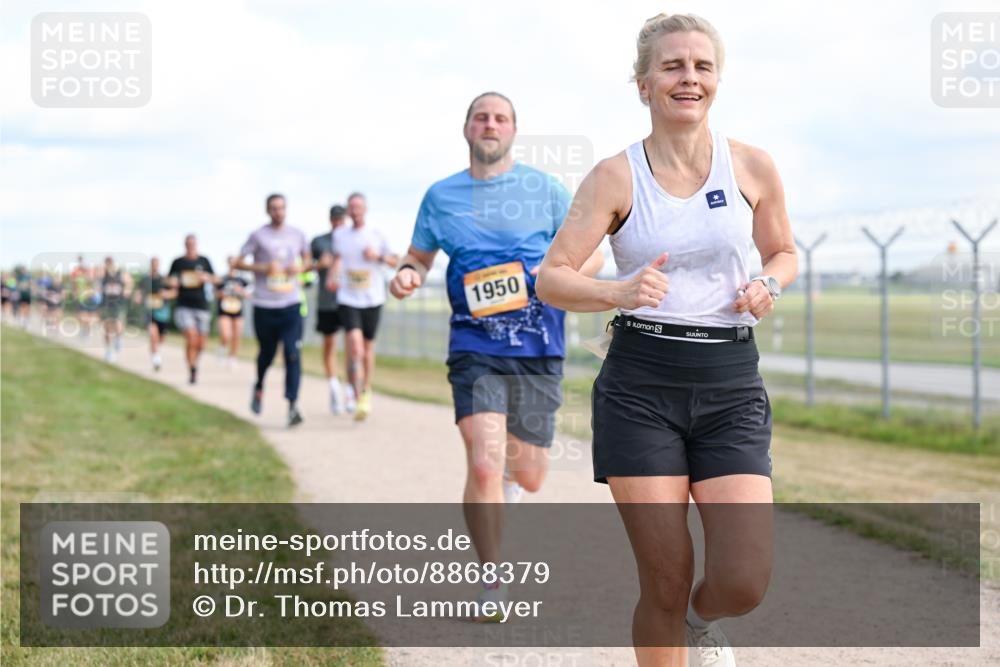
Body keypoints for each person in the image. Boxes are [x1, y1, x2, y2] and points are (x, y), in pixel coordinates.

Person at [535, 13, 797, 667]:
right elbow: (552, 278)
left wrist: (771, 281)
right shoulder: (614, 176)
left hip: (731, 383)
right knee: (664, 574)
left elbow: (786, 251)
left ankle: (698, 622)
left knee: (743, 578)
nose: (689, 78)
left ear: (718, 79)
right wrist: (616, 292)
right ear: (643, 83)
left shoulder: (753, 166)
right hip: (640, 383)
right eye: (673, 66)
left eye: (702, 66)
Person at [390, 91, 603, 616]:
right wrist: (407, 273)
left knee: (528, 473)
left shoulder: (544, 189)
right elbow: (418, 254)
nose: (490, 125)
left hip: (538, 347)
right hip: (473, 344)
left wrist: (560, 275)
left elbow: (592, 251)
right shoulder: (441, 195)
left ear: (513, 131)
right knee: (483, 459)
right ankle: (491, 579)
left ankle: (511, 486)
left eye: (500, 118)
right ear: (466, 129)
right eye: (481, 117)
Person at [237, 193, 311, 427]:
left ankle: (292, 406)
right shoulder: (258, 235)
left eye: (281, 208)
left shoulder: (297, 234)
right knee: (267, 354)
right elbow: (238, 263)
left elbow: (309, 261)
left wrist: (297, 268)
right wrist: (263, 268)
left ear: (286, 209)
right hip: (264, 305)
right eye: (274, 208)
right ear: (267, 210)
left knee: (292, 353)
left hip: (290, 304)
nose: (278, 212)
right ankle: (259, 384)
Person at [328, 193, 398, 421]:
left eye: (358, 207)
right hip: (348, 298)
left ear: (365, 209)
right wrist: (332, 274)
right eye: (352, 207)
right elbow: (338, 258)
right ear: (348, 211)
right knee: (355, 346)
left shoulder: (377, 234)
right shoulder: (340, 235)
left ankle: (365, 390)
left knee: (367, 349)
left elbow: (395, 260)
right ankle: (351, 388)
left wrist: (376, 256)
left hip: (373, 298)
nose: (355, 211)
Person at [311, 204, 349, 414]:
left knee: (353, 346)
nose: (338, 223)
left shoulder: (354, 240)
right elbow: (306, 265)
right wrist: (319, 264)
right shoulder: (319, 242)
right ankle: (334, 386)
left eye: (341, 219)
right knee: (330, 345)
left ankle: (352, 388)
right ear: (330, 220)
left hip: (351, 300)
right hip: (327, 302)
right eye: (335, 219)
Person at [168, 235, 216, 384]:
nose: (190, 246)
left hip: (201, 305)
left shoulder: (204, 261)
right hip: (184, 305)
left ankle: (195, 362)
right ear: (184, 245)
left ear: (196, 244)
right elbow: (169, 279)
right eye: (188, 243)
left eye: (193, 243)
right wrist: (173, 282)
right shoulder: (178, 262)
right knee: (191, 337)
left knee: (201, 343)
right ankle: (192, 369)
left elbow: (216, 279)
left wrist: (207, 278)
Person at [139, 256, 176, 371]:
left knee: (161, 339)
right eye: (153, 264)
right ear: (150, 265)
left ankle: (155, 351)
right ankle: (156, 358)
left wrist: (166, 294)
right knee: (153, 335)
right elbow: (139, 292)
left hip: (162, 313)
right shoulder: (145, 279)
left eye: (156, 264)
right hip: (149, 312)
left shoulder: (164, 280)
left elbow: (174, 292)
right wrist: (138, 297)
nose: (155, 266)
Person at [215, 256, 250, 369]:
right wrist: (222, 293)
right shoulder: (222, 279)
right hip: (224, 310)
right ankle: (222, 347)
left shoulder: (242, 280)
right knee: (226, 335)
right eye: (231, 262)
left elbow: (248, 294)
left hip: (237, 310)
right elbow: (215, 294)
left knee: (237, 335)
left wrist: (241, 291)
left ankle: (232, 357)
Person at [100, 256, 133, 362]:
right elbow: (96, 283)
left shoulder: (120, 273)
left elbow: (130, 282)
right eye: (107, 263)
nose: (108, 265)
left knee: (118, 324)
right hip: (106, 304)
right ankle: (108, 351)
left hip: (119, 304)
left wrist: (127, 289)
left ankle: (118, 338)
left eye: (110, 263)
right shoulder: (103, 275)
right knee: (107, 328)